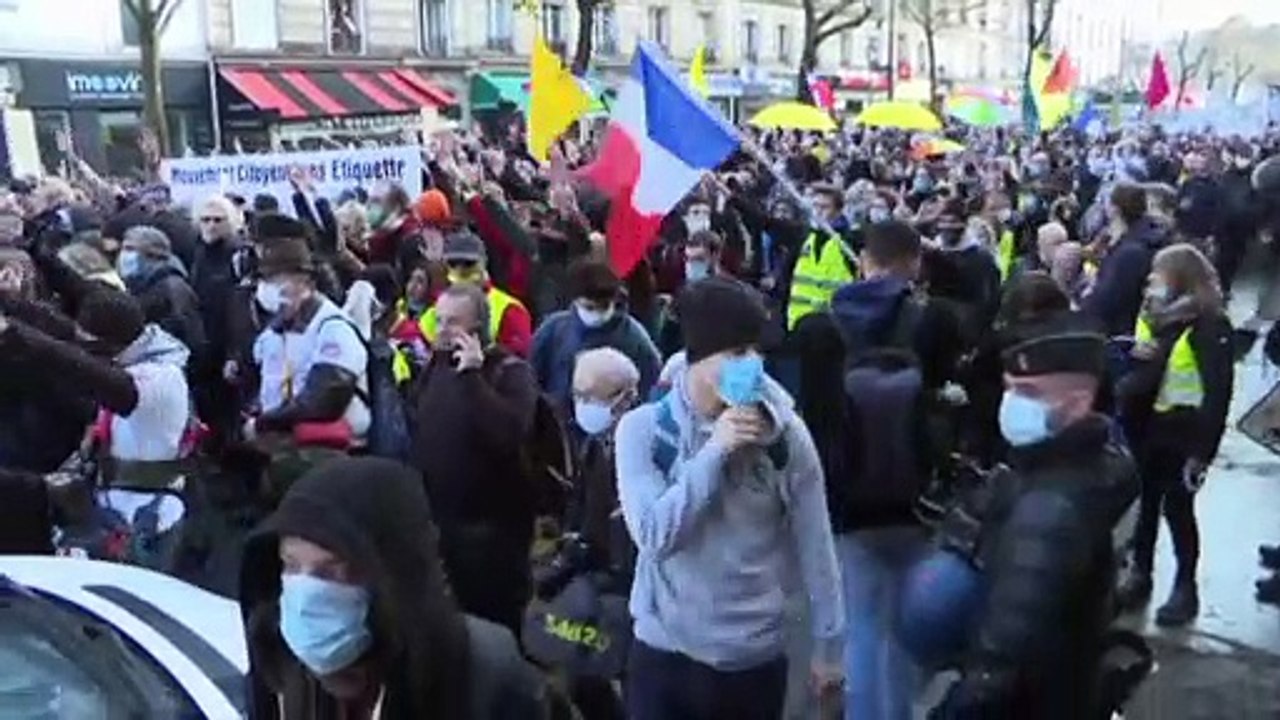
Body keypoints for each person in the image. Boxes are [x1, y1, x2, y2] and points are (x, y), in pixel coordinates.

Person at [614, 277, 844, 720]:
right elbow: (655, 536)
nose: (753, 366)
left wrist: (830, 646)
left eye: (759, 353)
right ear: (697, 357)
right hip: (665, 654)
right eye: (738, 354)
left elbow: (817, 543)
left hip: (752, 659)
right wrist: (715, 452)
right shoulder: (644, 431)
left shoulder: (786, 436)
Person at [930, 313, 1139, 720]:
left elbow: (1002, 658)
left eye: (1027, 391)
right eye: (1010, 389)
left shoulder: (1048, 508)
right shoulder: (1097, 465)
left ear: (1077, 402)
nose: (1012, 403)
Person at [239, 456, 549, 719]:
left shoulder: (489, 684)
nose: (305, 595)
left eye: (330, 572)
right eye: (290, 566)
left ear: (394, 578)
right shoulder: (280, 663)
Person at [410, 282, 541, 635]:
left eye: (453, 322)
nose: (442, 330)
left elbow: (508, 434)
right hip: (442, 527)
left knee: (495, 625)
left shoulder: (510, 373)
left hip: (493, 534)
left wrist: (472, 377)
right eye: (439, 320)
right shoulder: (436, 368)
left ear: (477, 329)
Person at [1116, 244, 1234, 626]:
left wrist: (1203, 452)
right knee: (1146, 505)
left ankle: (1186, 587)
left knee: (1179, 510)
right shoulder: (1156, 317)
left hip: (1184, 434)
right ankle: (1140, 574)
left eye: (1158, 274)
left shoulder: (1210, 326)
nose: (1151, 281)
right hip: (1148, 427)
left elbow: (1217, 392)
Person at [247, 230, 369, 494]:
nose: (268, 288)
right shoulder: (275, 331)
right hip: (282, 450)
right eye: (265, 279)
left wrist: (265, 422)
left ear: (306, 283)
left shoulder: (332, 328)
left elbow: (324, 400)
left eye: (278, 279)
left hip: (327, 455)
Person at [531, 259, 661, 412]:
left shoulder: (633, 337)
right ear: (575, 301)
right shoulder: (554, 329)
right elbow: (533, 376)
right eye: (589, 307)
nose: (597, 313)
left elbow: (652, 385)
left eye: (604, 306)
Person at [418, 230, 533, 358]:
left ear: (483, 263)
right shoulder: (437, 307)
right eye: (453, 263)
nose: (460, 269)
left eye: (468, 263)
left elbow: (517, 364)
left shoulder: (509, 309)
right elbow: (419, 345)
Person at [1082, 183, 1168, 337]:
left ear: (1115, 210)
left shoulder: (1130, 252)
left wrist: (1089, 294)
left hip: (1121, 332)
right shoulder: (1151, 237)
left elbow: (1106, 300)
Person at [118, 225, 207, 357]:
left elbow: (189, 336)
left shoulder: (172, 288)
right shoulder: (139, 284)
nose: (124, 256)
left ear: (151, 254)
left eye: (130, 249)